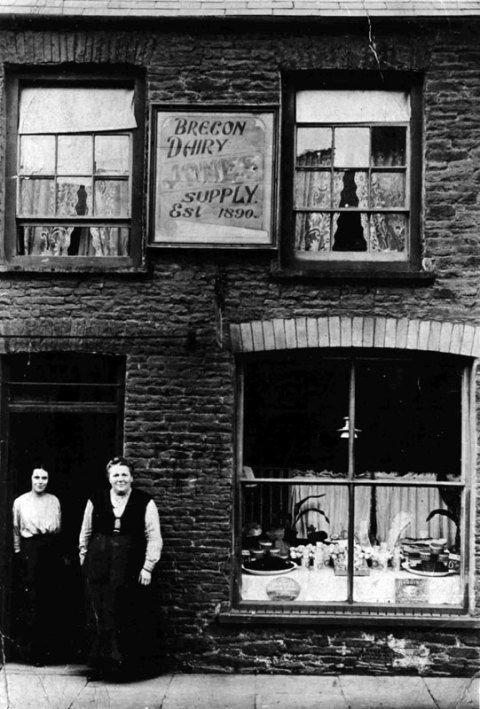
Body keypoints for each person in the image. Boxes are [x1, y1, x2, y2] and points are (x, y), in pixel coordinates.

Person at [79, 456, 162, 675]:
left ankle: (126, 667)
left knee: (126, 609)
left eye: (125, 474)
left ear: (132, 478)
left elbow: (154, 537)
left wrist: (148, 567)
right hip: (99, 563)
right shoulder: (96, 499)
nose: (120, 479)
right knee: (100, 609)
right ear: (109, 478)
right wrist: (84, 558)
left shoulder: (145, 501)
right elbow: (86, 532)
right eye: (116, 475)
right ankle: (101, 665)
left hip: (129, 564)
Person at [12, 467, 62, 664]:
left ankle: (48, 651)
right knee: (31, 599)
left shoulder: (54, 500)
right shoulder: (20, 501)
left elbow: (58, 527)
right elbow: (16, 529)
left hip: (49, 547)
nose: (40, 481)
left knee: (48, 598)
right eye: (37, 477)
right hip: (29, 549)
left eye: (44, 478)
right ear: (31, 478)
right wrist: (18, 552)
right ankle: (32, 653)